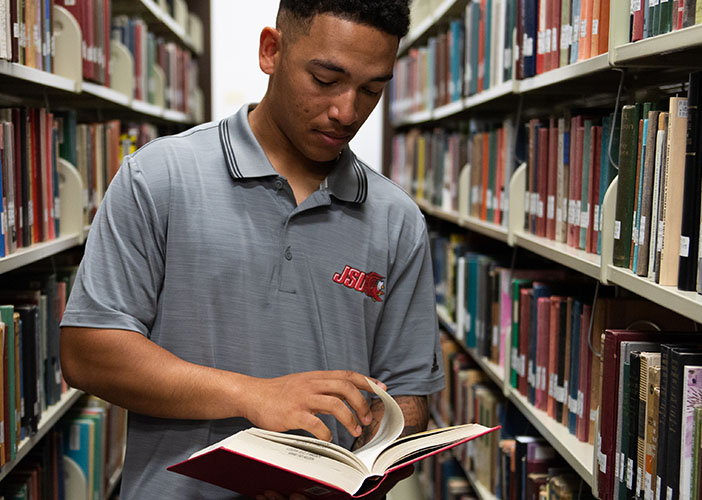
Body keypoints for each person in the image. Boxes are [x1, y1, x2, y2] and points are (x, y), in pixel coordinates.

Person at [59, 1, 444, 498]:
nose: (347, 112)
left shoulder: (397, 220)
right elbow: (88, 353)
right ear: (271, 50)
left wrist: (371, 462)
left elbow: (410, 396)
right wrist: (256, 395)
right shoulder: (157, 178)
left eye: (372, 89)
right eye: (326, 79)